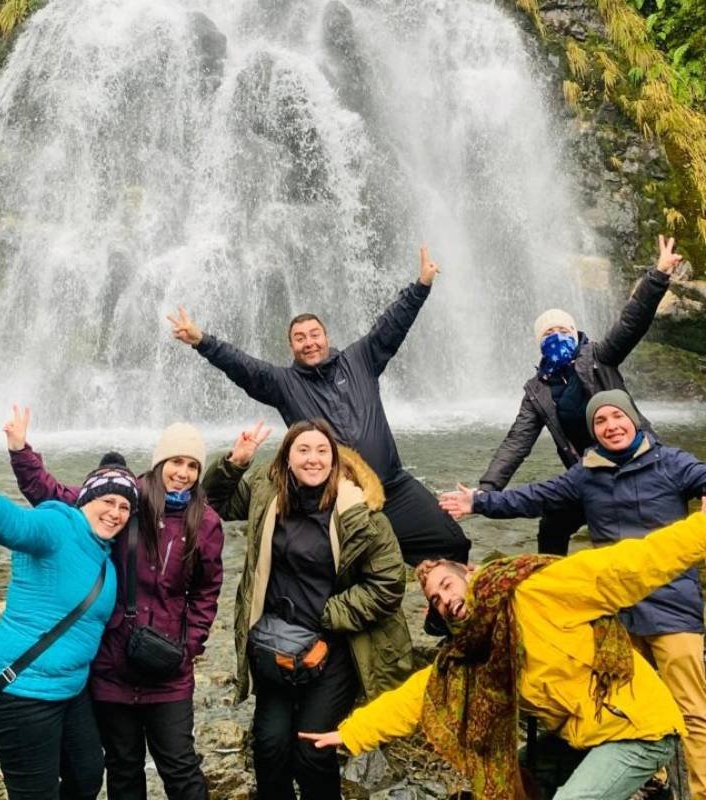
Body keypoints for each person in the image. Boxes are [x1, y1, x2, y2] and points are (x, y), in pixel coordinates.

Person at [299, 509, 706, 800]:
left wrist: (701, 528)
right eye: (435, 599)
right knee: (502, 783)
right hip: (582, 736)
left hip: (640, 730)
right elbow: (421, 695)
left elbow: (634, 564)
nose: (444, 599)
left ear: (471, 573)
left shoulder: (537, 590)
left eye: (446, 584)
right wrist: (352, 733)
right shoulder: (475, 646)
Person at [439, 389, 706, 798]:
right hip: (617, 611)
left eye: (618, 417)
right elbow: (535, 497)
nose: (611, 426)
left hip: (671, 604)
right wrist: (479, 502)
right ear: (592, 431)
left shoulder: (671, 462)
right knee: (630, 699)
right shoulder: (587, 473)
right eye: (601, 421)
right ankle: (654, 781)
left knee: (691, 711)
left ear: (634, 419)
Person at [168, 246, 470, 567]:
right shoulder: (283, 384)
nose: (309, 342)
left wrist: (421, 285)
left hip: (391, 485)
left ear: (326, 337)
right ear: (291, 346)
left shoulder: (360, 359)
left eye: (314, 334)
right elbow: (242, 366)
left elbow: (392, 325)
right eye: (300, 338)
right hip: (333, 500)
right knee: (346, 570)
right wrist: (202, 341)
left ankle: (438, 598)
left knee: (451, 542)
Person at [3, 408, 224, 800]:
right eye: (176, 461)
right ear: (160, 462)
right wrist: (22, 452)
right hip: (112, 664)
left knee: (180, 765)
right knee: (122, 765)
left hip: (170, 668)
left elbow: (207, 591)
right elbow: (57, 496)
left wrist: (190, 646)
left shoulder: (204, 522)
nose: (183, 472)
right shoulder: (125, 499)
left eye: (192, 465)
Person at [201, 418, 413, 800]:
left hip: (334, 646)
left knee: (311, 748)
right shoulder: (268, 495)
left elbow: (388, 584)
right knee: (269, 747)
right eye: (303, 450)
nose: (313, 459)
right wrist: (235, 461)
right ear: (287, 458)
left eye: (321, 451)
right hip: (277, 645)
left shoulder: (360, 513)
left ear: (334, 460)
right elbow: (214, 503)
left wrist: (326, 615)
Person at [0, 443, 138, 800]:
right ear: (86, 499)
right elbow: (15, 525)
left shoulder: (106, 557)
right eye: (108, 501)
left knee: (86, 776)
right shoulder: (57, 524)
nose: (115, 513)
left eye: (124, 506)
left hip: (72, 692)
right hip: (22, 694)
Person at [478, 235, 682, 556]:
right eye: (547, 333)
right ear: (538, 343)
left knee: (650, 537)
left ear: (574, 334)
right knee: (553, 523)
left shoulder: (599, 357)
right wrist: (484, 492)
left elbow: (631, 322)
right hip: (590, 472)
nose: (555, 336)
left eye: (562, 331)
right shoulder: (537, 390)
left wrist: (658, 275)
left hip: (637, 460)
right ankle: (556, 582)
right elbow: (515, 443)